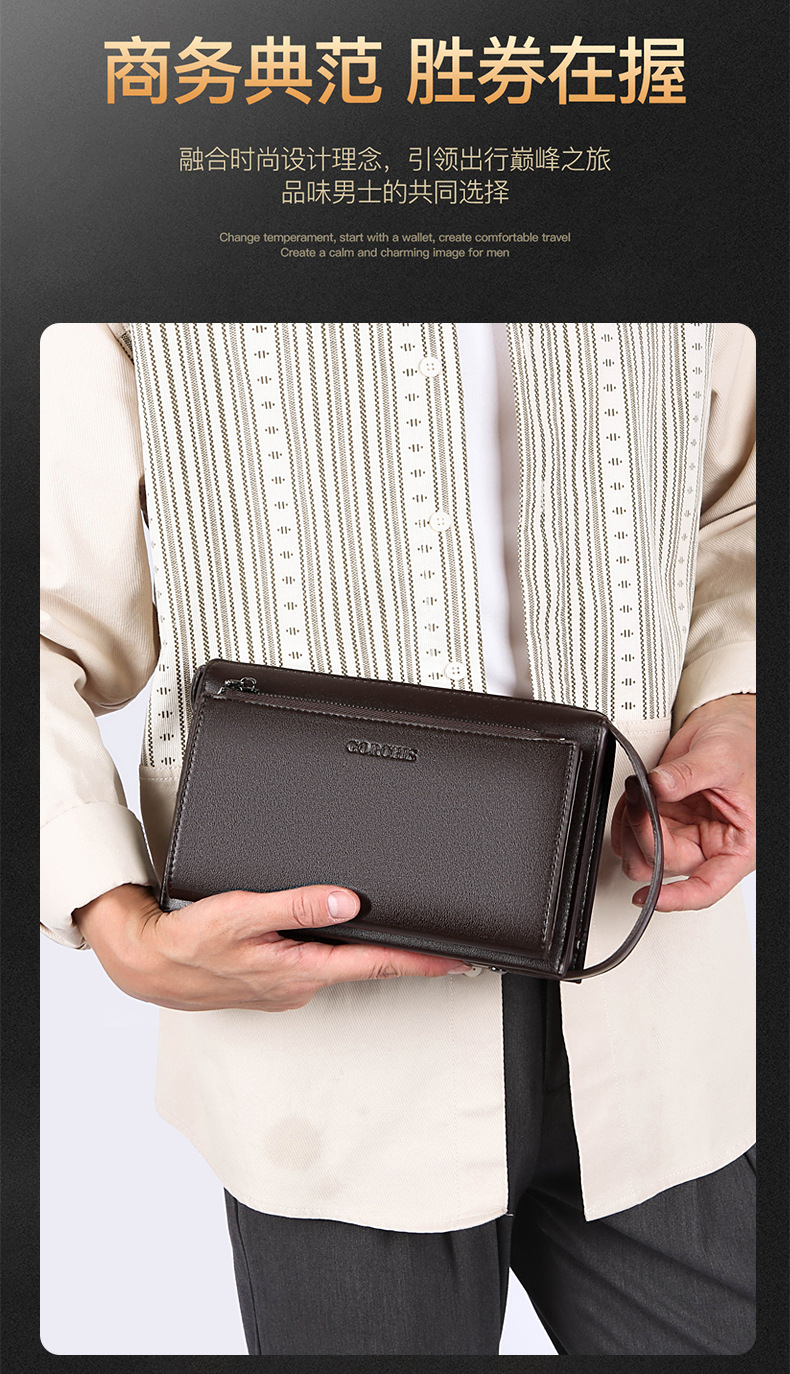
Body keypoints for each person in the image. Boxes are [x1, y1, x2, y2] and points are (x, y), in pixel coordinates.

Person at [41, 322, 756, 1355]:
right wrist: (111, 916)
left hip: (660, 997)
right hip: (321, 1048)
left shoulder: (674, 222)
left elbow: (737, 503)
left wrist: (735, 699)